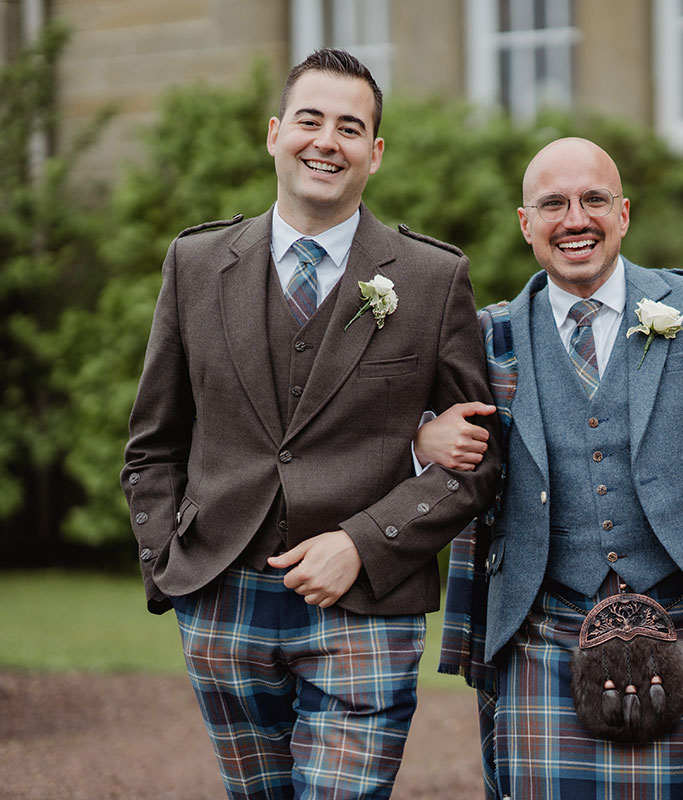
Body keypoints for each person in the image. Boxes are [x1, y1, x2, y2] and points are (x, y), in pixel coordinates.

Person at [121, 48, 500, 799]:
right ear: (274, 134)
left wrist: (365, 543)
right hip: (222, 602)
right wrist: (170, 567)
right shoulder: (195, 264)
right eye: (310, 120)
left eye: (350, 127)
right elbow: (153, 445)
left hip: (367, 607)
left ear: (375, 153)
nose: (327, 141)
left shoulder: (430, 279)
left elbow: (477, 461)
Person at [421, 136, 683, 797]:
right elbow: (403, 426)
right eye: (553, 204)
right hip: (545, 625)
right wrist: (424, 436)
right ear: (525, 224)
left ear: (624, 213)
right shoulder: (487, 337)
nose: (576, 219)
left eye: (593, 199)